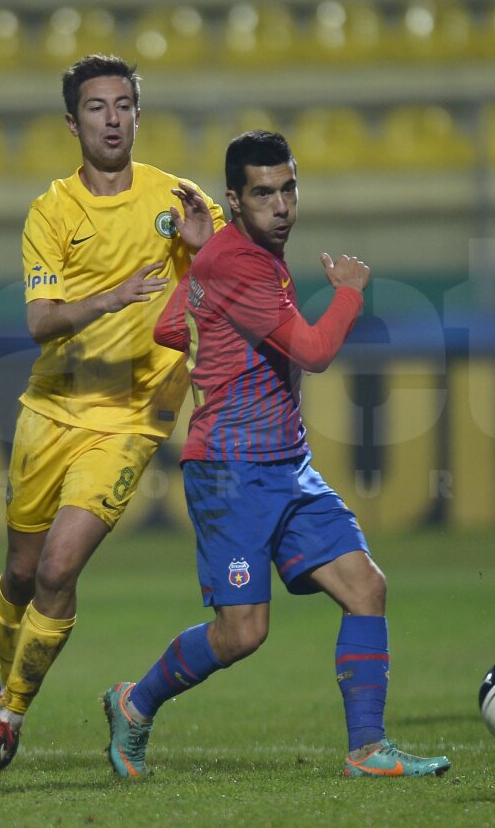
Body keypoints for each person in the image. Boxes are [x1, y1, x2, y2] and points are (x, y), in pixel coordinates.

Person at [101, 130, 452, 779]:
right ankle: (135, 701)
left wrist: (204, 261)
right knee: (242, 634)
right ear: (235, 198)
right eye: (264, 193)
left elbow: (171, 327)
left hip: (287, 463)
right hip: (231, 472)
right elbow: (314, 353)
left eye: (289, 187)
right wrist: (348, 291)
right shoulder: (242, 264)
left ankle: (368, 749)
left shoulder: (239, 257)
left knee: (365, 587)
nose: (282, 204)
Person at [0, 54, 225, 773]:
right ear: (72, 122)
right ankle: (5, 695)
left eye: (124, 105)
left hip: (133, 416)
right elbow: (41, 322)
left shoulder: (180, 199)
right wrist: (110, 297)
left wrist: (206, 252)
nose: (113, 118)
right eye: (98, 107)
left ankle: (6, 718)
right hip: (51, 407)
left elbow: (236, 283)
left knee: (57, 568)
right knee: (19, 572)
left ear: (140, 112)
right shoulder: (52, 211)